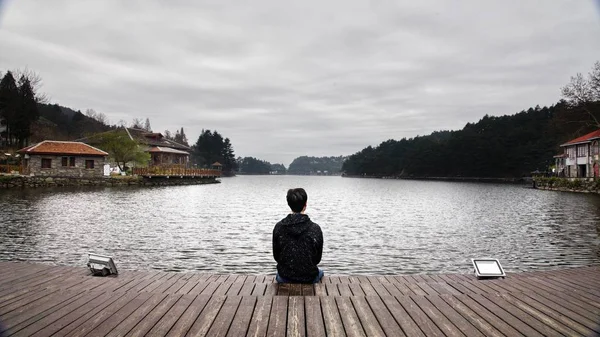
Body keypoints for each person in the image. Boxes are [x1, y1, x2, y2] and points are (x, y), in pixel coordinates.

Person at [273, 188, 324, 283]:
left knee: (278, 275)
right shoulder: (315, 228)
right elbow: (317, 259)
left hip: (285, 277)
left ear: (289, 204)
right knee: (321, 272)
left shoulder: (279, 227)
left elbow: (276, 256)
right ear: (305, 205)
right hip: (309, 278)